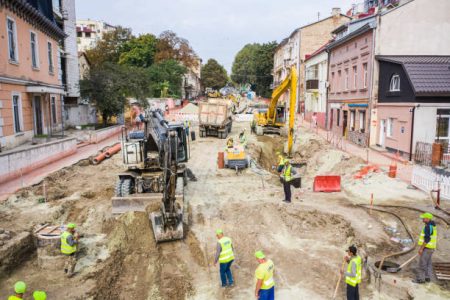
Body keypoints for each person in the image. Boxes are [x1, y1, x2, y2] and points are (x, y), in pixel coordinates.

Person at [413, 212, 437, 284]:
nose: (422, 219)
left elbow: (427, 239)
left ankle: (420, 279)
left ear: (427, 219)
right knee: (428, 263)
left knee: (422, 264)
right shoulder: (432, 225)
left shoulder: (428, 227)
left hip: (427, 248)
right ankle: (427, 277)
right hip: (431, 248)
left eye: (423, 218)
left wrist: (421, 249)